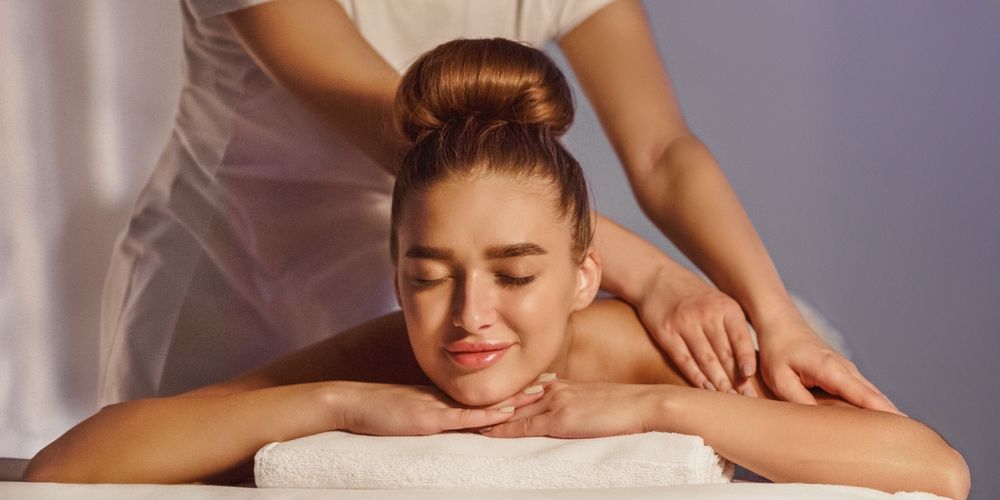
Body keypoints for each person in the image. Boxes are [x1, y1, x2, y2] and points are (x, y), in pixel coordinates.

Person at [29, 38, 968, 498]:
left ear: (586, 277)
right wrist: (339, 404)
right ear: (396, 273)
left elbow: (934, 469)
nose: (471, 314)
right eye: (430, 274)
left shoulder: (645, 353)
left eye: (516, 276)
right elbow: (68, 469)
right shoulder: (386, 359)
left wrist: (656, 406)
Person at [99, 0, 896, 414]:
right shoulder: (433, 157)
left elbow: (663, 151)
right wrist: (656, 279)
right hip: (230, 283)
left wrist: (775, 317)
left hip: (428, 295)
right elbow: (419, 142)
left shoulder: (475, 303)